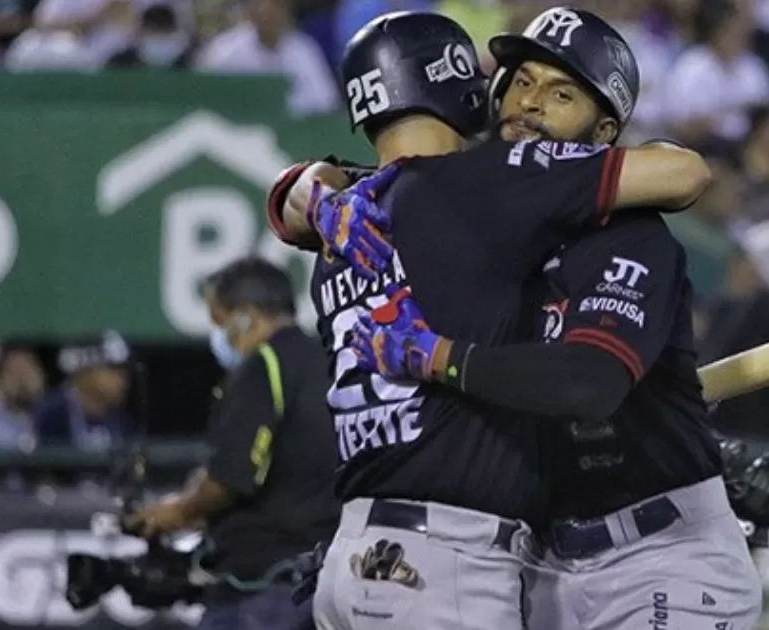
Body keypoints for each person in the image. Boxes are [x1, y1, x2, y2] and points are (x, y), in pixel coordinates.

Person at [262, 10, 712, 629]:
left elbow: (686, 171)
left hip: (375, 547)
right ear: (474, 90)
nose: (528, 103)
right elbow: (686, 172)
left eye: (560, 92)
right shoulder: (484, 187)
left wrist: (309, 189)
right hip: (449, 556)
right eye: (520, 80)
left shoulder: (362, 209)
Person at [126, 257, 338, 630]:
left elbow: (230, 479)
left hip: (263, 586)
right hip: (323, 581)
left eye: (219, 320)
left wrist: (173, 512)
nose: (217, 333)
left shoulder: (264, 364)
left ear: (245, 316)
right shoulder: (328, 360)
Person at [34, 330, 131, 451]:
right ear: (86, 370)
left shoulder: (120, 420)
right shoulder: (53, 413)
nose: (121, 379)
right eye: (112, 369)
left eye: (122, 371)